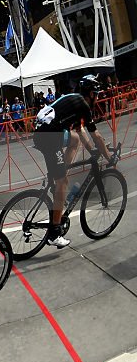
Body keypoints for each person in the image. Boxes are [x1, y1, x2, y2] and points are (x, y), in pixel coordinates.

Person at [33, 75, 115, 248]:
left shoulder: (75, 100)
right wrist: (109, 157)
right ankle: (54, 233)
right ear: (91, 94)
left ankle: (61, 172)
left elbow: (80, 131)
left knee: (75, 140)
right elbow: (97, 136)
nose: (98, 98)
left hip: (44, 132)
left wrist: (92, 150)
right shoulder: (84, 106)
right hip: (49, 137)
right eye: (97, 94)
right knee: (62, 182)